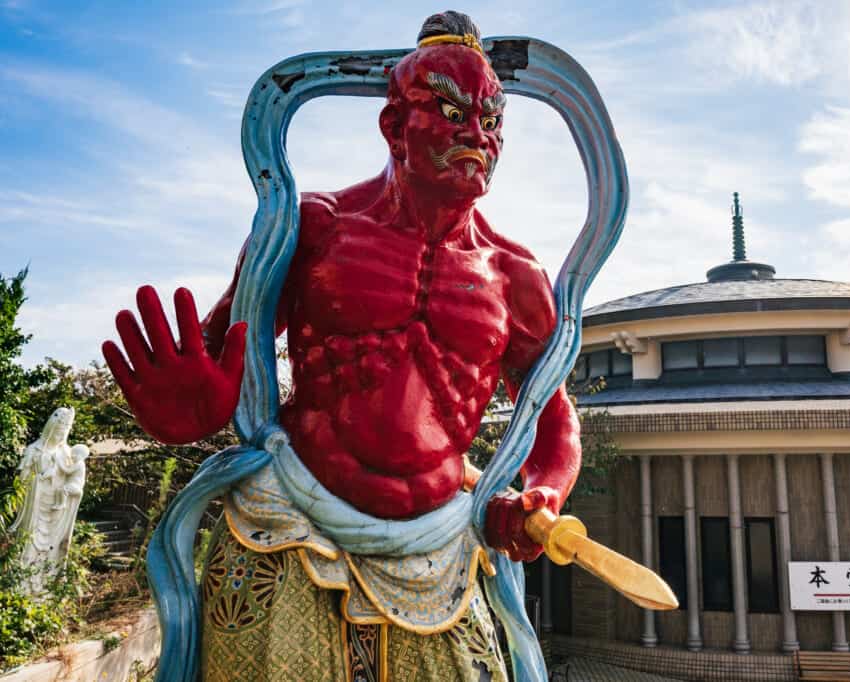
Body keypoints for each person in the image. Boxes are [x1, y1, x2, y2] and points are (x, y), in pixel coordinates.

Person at [102, 11, 581, 681]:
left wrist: (541, 495)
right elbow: (224, 347)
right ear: (394, 126)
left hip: (438, 544)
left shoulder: (514, 277)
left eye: (492, 119)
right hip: (289, 517)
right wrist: (198, 404)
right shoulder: (312, 229)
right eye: (448, 111)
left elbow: (552, 413)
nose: (476, 135)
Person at [10, 407, 89, 595]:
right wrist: (39, 480)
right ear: (51, 427)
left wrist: (72, 489)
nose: (61, 435)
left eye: (65, 432)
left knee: (52, 549)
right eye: (59, 430)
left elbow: (75, 479)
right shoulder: (34, 450)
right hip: (35, 506)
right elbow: (22, 481)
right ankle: (23, 588)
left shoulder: (69, 454)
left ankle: (48, 587)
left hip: (57, 509)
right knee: (30, 543)